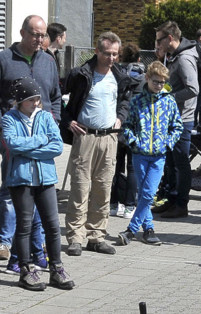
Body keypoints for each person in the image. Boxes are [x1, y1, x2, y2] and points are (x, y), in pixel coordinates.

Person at [62, 31, 133, 256]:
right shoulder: (81, 74)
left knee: (103, 188)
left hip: (110, 138)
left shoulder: (120, 76)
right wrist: (68, 121)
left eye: (115, 54)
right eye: (106, 53)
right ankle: (75, 237)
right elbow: (59, 99)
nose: (111, 58)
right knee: (80, 188)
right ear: (97, 51)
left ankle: (97, 235)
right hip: (85, 136)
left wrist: (121, 116)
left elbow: (125, 101)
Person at [2, 77, 74, 290]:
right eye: (30, 100)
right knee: (24, 226)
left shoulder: (45, 116)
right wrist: (41, 140)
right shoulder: (9, 118)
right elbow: (13, 144)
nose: (35, 103)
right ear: (20, 101)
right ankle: (25, 271)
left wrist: (30, 150)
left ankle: (56, 269)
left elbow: (57, 146)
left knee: (52, 226)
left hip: (46, 179)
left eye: (37, 99)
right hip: (20, 180)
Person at [0, 14, 60, 264]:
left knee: (39, 196)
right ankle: (7, 243)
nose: (40, 39)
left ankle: (33, 251)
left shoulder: (48, 61)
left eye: (43, 34)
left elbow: (55, 96)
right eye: (35, 34)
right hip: (13, 137)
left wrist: (53, 120)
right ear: (22, 33)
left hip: (44, 136)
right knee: (12, 193)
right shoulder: (4, 59)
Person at [118, 61, 183, 246]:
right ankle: (148, 229)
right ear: (147, 78)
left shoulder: (169, 100)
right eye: (156, 82)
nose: (159, 86)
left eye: (162, 82)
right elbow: (127, 125)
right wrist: (134, 141)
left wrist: (167, 143)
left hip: (159, 155)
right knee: (144, 192)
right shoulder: (137, 101)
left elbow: (177, 127)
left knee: (148, 193)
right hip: (139, 154)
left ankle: (131, 230)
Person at [152, 21, 198, 218]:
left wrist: (168, 97)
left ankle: (181, 203)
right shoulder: (174, 57)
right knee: (170, 162)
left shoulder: (185, 58)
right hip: (171, 119)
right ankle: (171, 200)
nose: (157, 44)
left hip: (182, 120)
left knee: (180, 163)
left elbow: (193, 89)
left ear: (170, 38)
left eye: (159, 40)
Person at [109, 42, 145, 219]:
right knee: (132, 168)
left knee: (115, 167)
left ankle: (114, 204)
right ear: (139, 58)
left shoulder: (115, 74)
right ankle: (130, 206)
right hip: (136, 127)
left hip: (117, 124)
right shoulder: (144, 78)